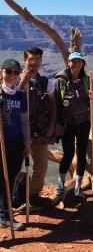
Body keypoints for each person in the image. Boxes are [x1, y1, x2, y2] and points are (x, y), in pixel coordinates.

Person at [54, 52, 93, 202]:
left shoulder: (86, 79)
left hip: (83, 121)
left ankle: (78, 185)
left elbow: (92, 99)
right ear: (69, 63)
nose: (76, 64)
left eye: (79, 61)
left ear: (83, 64)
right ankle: (60, 182)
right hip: (68, 123)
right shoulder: (61, 81)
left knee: (82, 152)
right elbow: (56, 103)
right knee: (68, 153)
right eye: (73, 61)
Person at [18, 47, 56, 207]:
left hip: (38, 131)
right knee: (13, 166)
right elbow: (9, 98)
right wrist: (23, 82)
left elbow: (54, 106)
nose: (34, 63)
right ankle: (10, 198)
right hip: (17, 132)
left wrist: (51, 126)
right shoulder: (12, 77)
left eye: (37, 60)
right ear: (24, 60)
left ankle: (33, 195)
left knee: (41, 165)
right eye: (31, 59)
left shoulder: (46, 82)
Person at [0, 59, 32, 230]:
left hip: (16, 141)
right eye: (8, 72)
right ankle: (4, 214)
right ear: (2, 72)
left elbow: (25, 121)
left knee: (10, 176)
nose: (12, 75)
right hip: (1, 141)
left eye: (15, 72)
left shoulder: (20, 94)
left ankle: (4, 215)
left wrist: (27, 142)